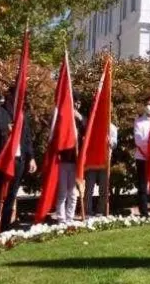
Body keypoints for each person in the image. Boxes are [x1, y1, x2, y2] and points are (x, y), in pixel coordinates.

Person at [0, 87, 37, 233]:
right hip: (0, 161)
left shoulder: (22, 115)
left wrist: (31, 158)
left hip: (18, 161)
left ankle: (4, 228)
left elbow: (27, 139)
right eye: (17, 96)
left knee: (11, 196)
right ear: (10, 96)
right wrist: (4, 132)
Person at [55, 93, 86, 223]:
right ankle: (61, 218)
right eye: (75, 102)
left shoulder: (81, 119)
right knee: (63, 191)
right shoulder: (63, 118)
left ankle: (70, 217)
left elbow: (87, 132)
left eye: (79, 102)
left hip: (76, 161)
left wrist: (81, 119)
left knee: (73, 193)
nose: (77, 105)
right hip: (63, 160)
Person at [84, 122, 118, 216]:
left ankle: (100, 210)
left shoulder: (112, 127)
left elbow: (114, 143)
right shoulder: (93, 126)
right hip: (92, 162)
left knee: (104, 188)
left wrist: (109, 141)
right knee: (89, 188)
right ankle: (87, 211)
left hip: (105, 161)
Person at [133, 97, 150, 217]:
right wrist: (149, 147)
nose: (149, 106)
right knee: (142, 186)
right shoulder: (139, 121)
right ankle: (144, 212)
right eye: (147, 104)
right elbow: (139, 140)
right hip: (142, 157)